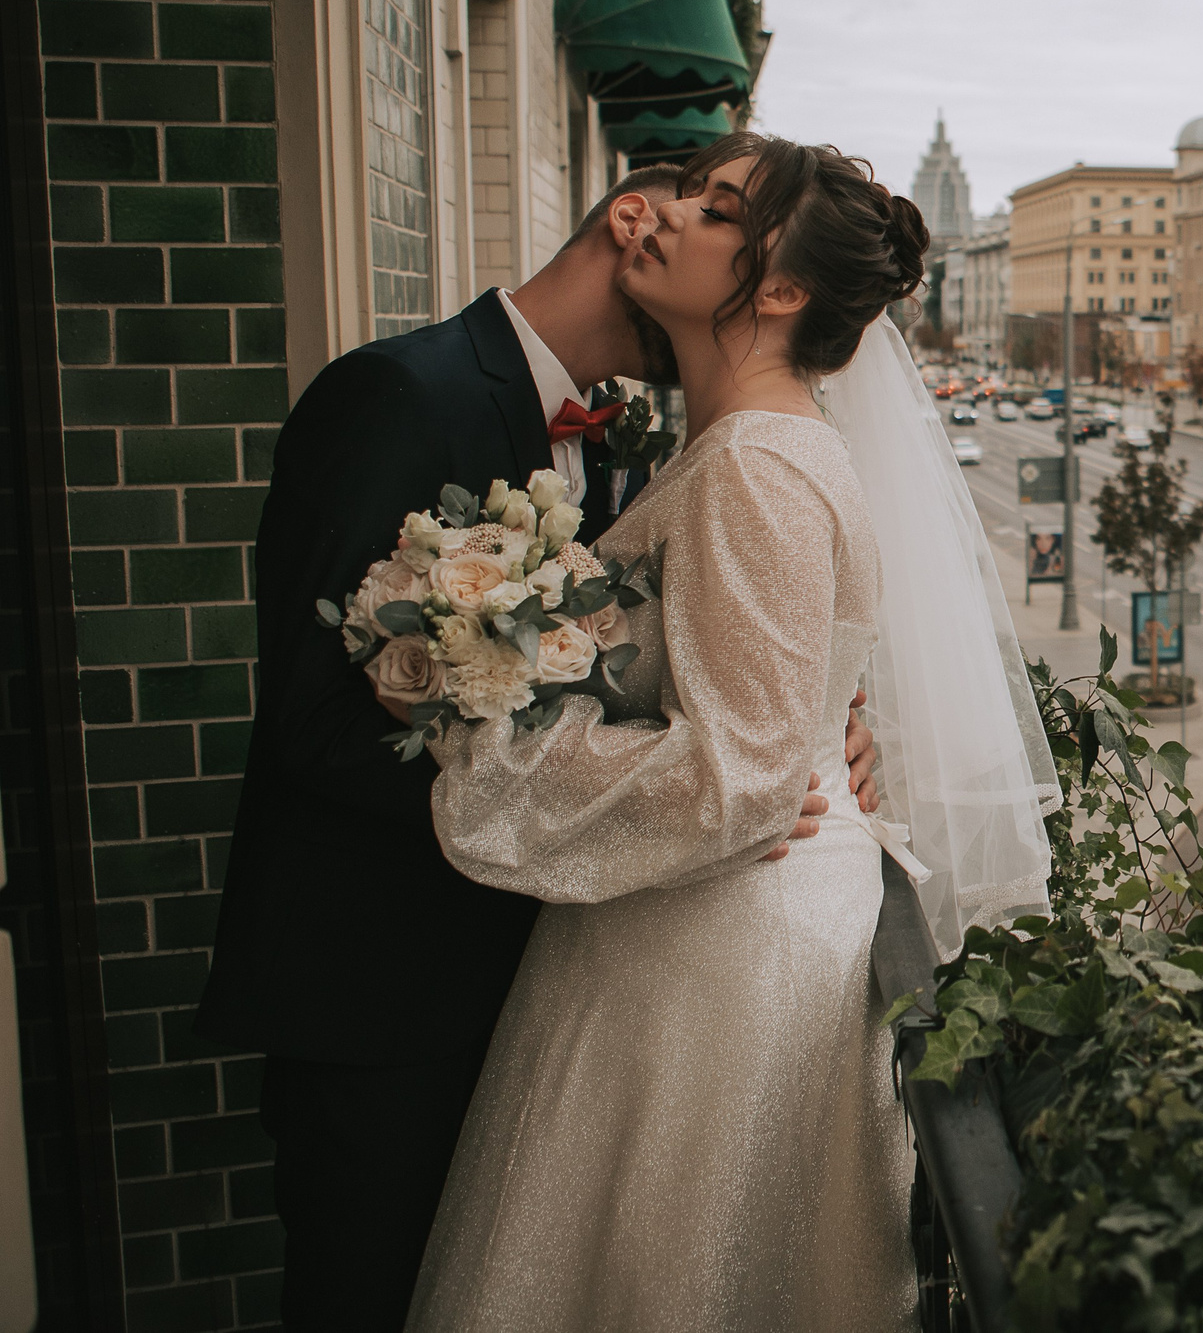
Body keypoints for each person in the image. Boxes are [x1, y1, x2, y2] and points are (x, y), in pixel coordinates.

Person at [194, 163, 882, 1330]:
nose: (679, 219)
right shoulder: (402, 397)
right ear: (628, 220)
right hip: (390, 990)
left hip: (617, 957)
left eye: (719, 211)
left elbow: (718, 688)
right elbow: (315, 720)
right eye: (692, 201)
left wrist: (819, 727)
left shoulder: (710, 444)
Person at [405, 136, 1059, 1329]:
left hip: (725, 935)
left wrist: (484, 744)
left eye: (712, 208)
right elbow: (780, 721)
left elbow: (739, 774)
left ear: (780, 289)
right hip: (719, 913)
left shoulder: (754, 467)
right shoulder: (748, 447)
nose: (659, 212)